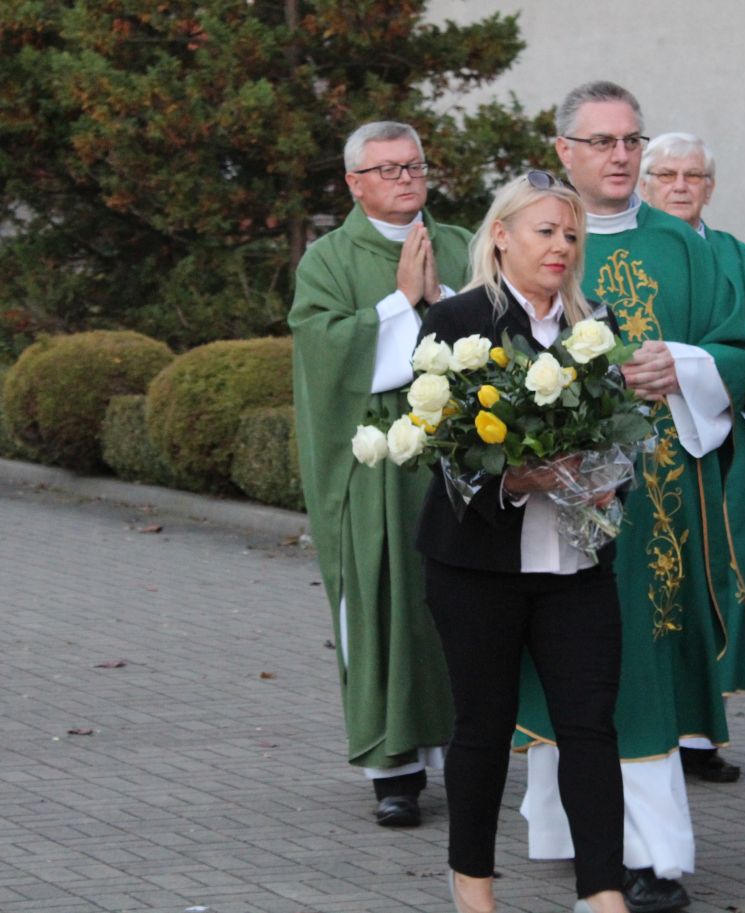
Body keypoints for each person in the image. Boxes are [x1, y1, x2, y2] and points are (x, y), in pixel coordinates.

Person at [514, 81, 745, 913]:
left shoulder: (684, 246)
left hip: (662, 504)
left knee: (642, 666)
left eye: (631, 141)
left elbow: (739, 343)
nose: (621, 156)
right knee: (570, 663)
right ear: (564, 151)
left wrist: (683, 364)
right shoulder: (539, 234)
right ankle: (576, 832)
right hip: (563, 497)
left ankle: (652, 853)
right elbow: (498, 342)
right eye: (602, 141)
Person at [414, 172, 628, 913]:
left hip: (577, 566)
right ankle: (473, 883)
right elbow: (439, 446)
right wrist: (511, 479)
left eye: (571, 234)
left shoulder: (594, 324)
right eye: (546, 231)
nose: (561, 246)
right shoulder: (457, 320)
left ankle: (603, 890)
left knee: (590, 727)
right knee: (483, 726)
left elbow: (620, 431)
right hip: (475, 567)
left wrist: (608, 480)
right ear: (501, 235)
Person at [289, 121, 471, 828]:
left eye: (414, 166)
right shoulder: (328, 260)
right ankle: (394, 771)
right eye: (387, 169)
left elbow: (504, 324)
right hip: (378, 474)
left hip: (462, 460)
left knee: (465, 608)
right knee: (386, 602)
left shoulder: (463, 243)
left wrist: (442, 293)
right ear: (354, 183)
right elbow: (325, 353)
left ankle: (471, 755)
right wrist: (400, 302)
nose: (405, 179)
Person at [639, 132, 745, 784]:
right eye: (667, 175)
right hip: (637, 445)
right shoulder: (627, 251)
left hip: (725, 449)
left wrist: (712, 382)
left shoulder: (740, 261)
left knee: (715, 576)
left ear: (710, 187)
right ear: (644, 183)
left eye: (694, 176)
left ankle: (700, 733)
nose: (680, 186)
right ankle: (644, 724)